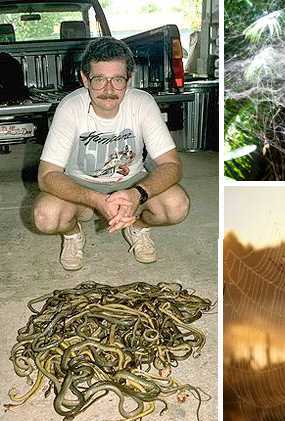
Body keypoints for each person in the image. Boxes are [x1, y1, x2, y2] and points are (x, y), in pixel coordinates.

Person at [33, 37, 189, 271]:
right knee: (46, 216)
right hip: (82, 188)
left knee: (176, 205)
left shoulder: (143, 103)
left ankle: (138, 226)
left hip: (131, 184)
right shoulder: (70, 107)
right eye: (99, 79)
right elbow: (47, 175)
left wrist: (138, 194)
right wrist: (95, 199)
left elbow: (171, 165)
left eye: (117, 79)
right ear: (85, 79)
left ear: (129, 79)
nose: (108, 90)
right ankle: (73, 234)